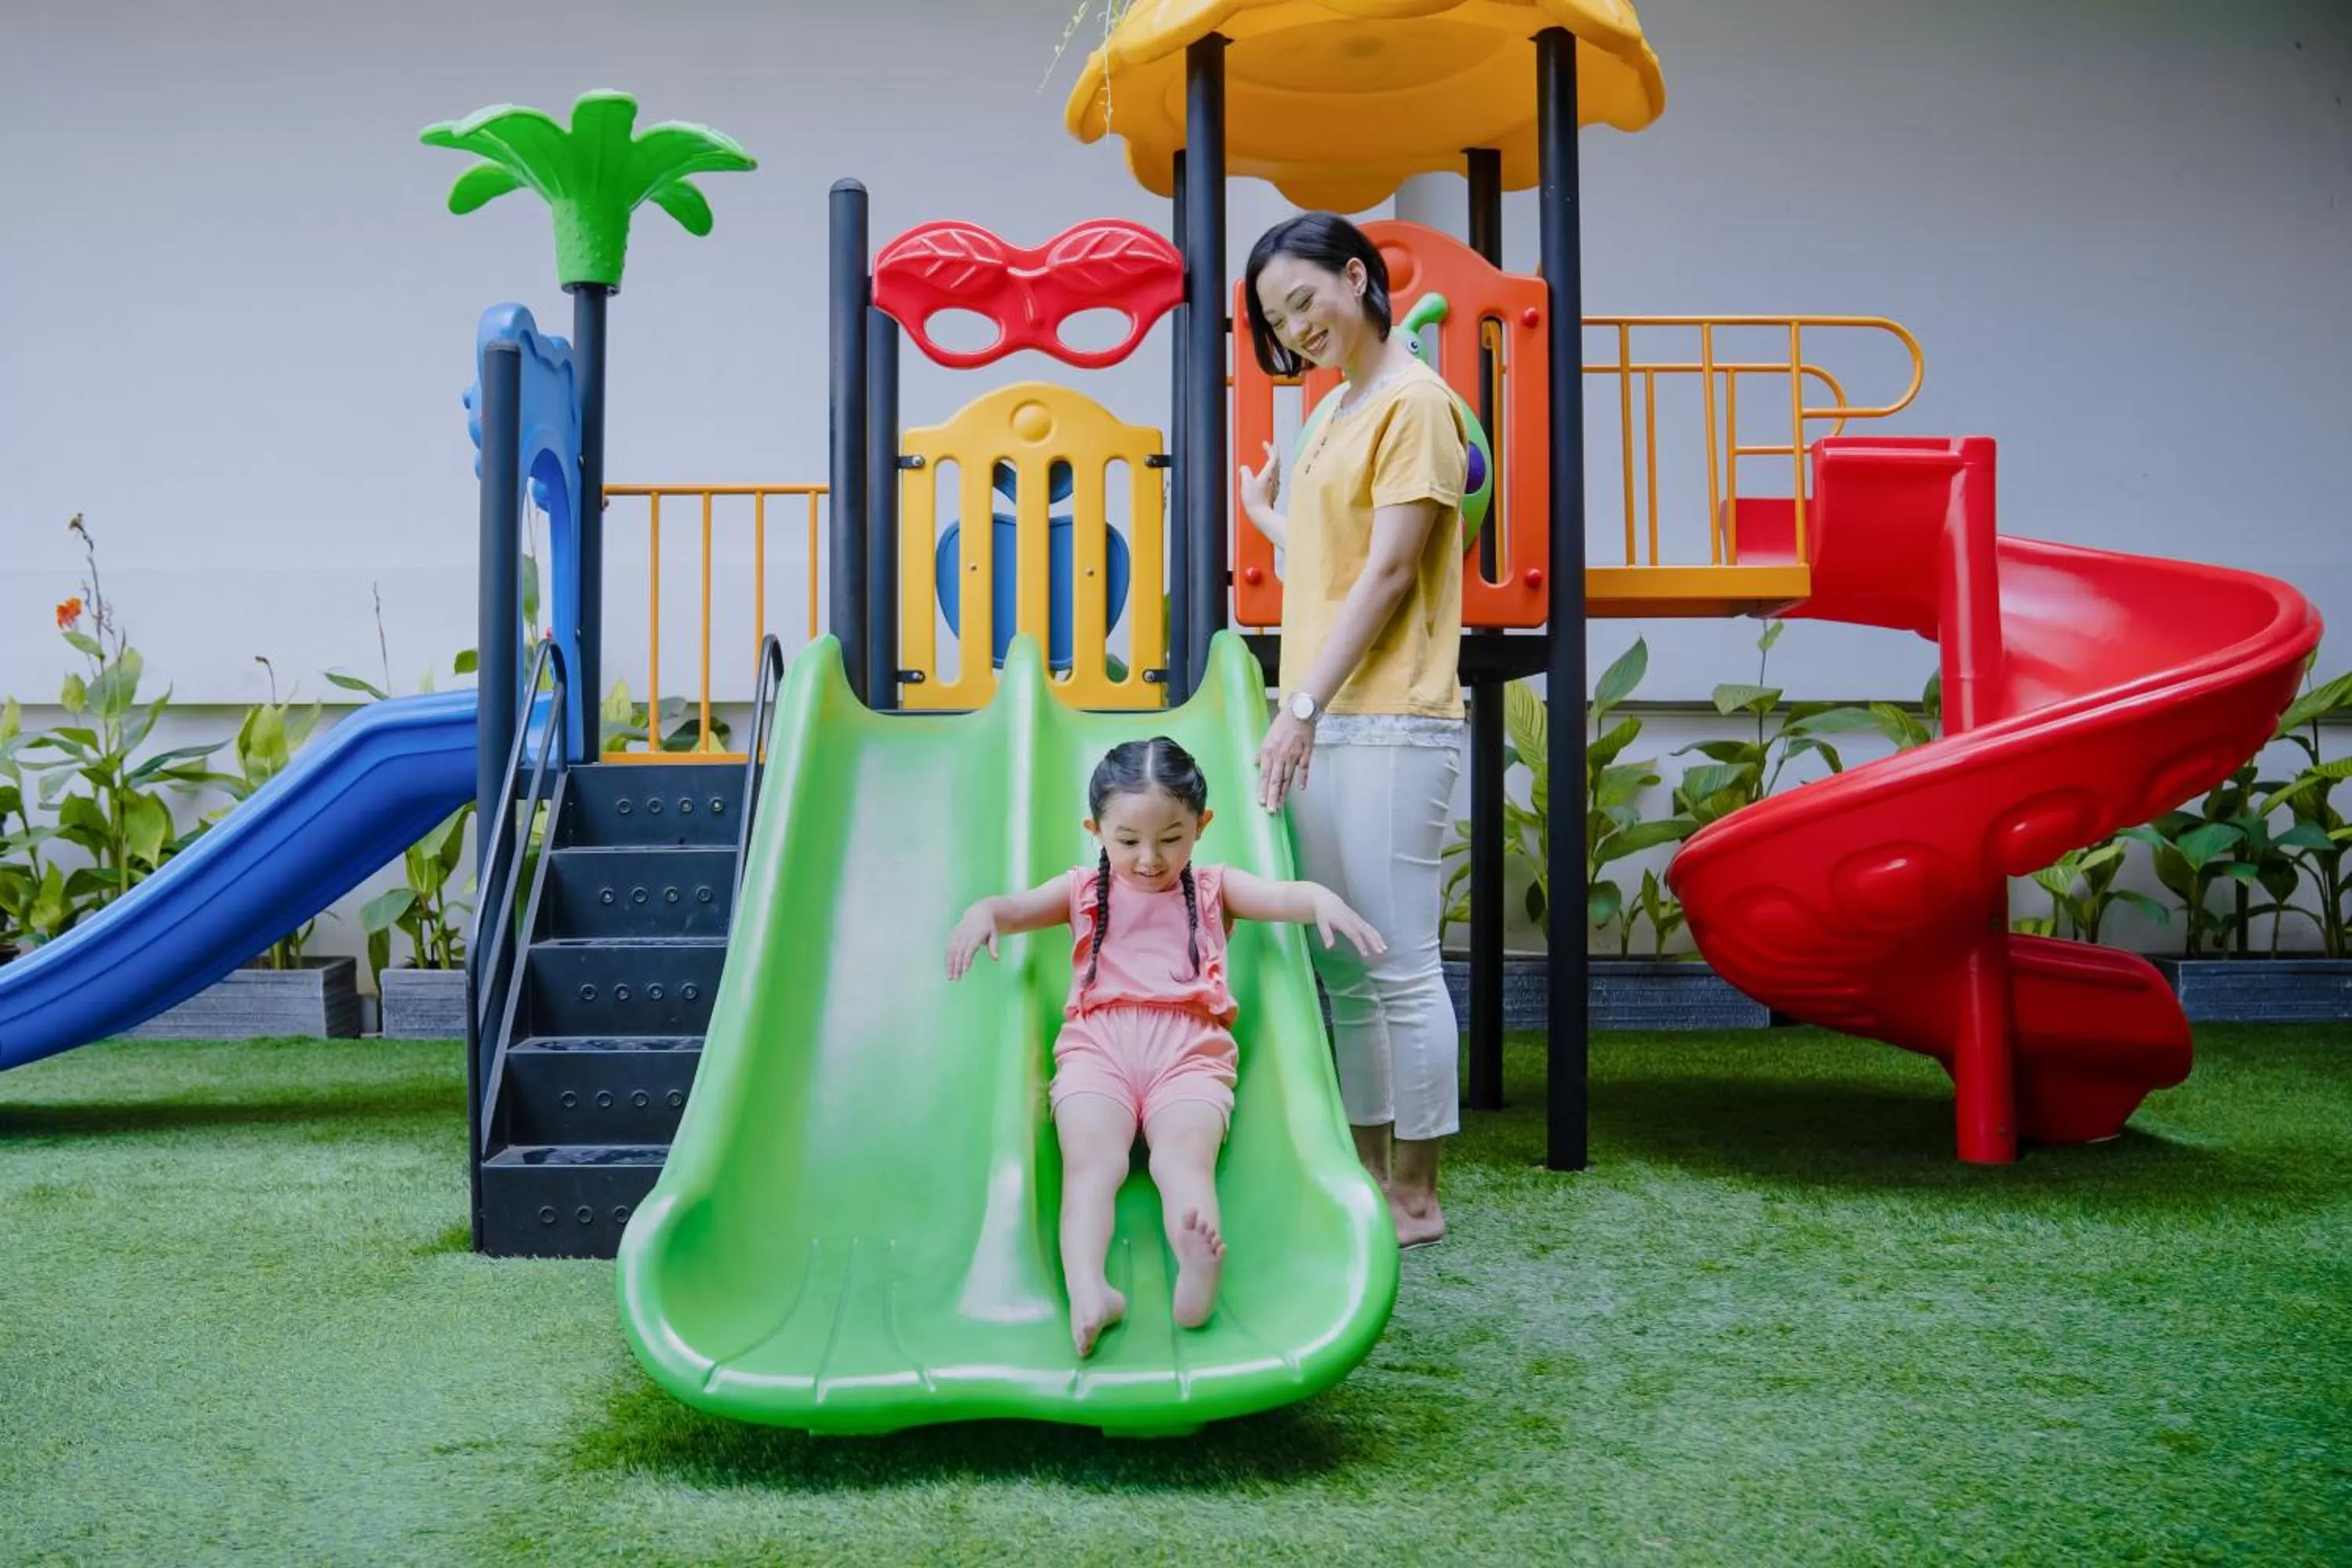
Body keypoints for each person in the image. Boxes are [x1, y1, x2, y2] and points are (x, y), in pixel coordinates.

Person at [946, 736, 1385, 1357]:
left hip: (1190, 1055)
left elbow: (1287, 898)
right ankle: (1090, 1289)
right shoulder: (1081, 891)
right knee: (1091, 1165)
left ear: (1201, 826)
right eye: (1127, 841)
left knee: (1182, 1159)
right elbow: (1009, 909)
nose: (1150, 858)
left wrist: (1323, 901)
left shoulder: (1212, 889)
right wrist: (980, 915)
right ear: (1095, 829)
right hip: (1098, 1049)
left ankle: (1197, 1268)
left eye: (1171, 838)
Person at [1236, 211, 1471, 1250]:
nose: (1300, 326)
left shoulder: (1414, 401)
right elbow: (1335, 564)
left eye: (1306, 299)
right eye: (1280, 318)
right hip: (1330, 717)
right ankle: (1369, 1176)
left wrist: (1297, 710)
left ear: (1360, 278)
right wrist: (1270, 519)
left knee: (1398, 964)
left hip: (1386, 720)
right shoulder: (1334, 410)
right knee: (1344, 962)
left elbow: (1390, 573)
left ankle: (1416, 1194)